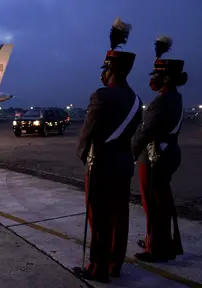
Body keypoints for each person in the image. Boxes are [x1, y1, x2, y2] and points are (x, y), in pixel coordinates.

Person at [73, 17, 143, 283]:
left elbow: (86, 136)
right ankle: (115, 265)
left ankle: (97, 269)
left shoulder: (101, 95)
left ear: (111, 70)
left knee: (99, 219)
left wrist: (84, 157)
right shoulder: (137, 100)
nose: (101, 73)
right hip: (123, 164)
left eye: (105, 68)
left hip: (101, 165)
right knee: (119, 216)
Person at [131, 36, 186, 262]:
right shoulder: (174, 97)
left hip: (155, 156)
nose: (151, 79)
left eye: (155, 75)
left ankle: (158, 248)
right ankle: (157, 239)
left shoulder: (162, 101)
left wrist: (131, 151)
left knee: (153, 202)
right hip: (168, 152)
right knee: (160, 201)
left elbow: (146, 132)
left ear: (165, 78)